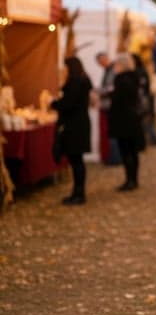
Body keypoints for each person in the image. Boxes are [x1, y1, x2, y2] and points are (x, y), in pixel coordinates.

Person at [51, 56, 92, 205]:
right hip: (78, 124)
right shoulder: (80, 81)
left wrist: (54, 103)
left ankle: (79, 193)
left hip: (75, 126)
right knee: (76, 160)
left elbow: (68, 103)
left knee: (76, 161)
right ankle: (77, 192)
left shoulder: (76, 83)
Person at [108, 53, 146, 192]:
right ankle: (133, 179)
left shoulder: (121, 79)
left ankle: (129, 180)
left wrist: (111, 94)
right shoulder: (135, 77)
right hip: (133, 119)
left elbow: (119, 99)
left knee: (126, 151)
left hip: (123, 120)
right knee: (133, 151)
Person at [95, 51, 121, 165]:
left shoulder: (112, 70)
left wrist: (98, 91)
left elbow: (110, 88)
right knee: (110, 132)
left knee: (112, 132)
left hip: (110, 106)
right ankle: (113, 156)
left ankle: (115, 157)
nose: (101, 64)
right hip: (108, 105)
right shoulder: (108, 70)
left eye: (102, 61)